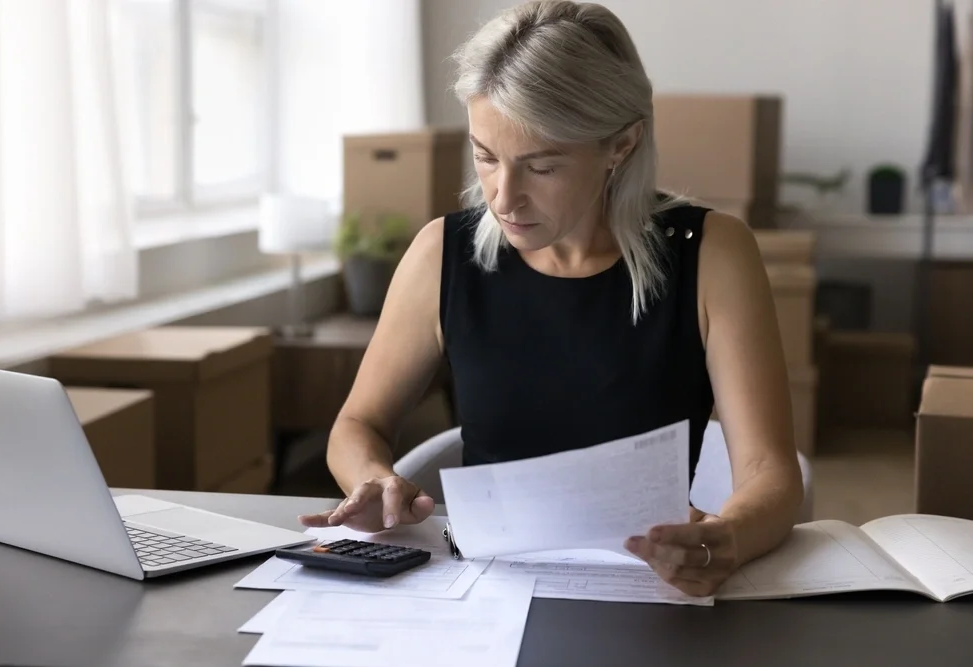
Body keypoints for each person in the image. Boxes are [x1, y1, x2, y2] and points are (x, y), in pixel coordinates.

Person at [299, 0, 803, 597]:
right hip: (483, 590)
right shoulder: (440, 253)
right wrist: (373, 478)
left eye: (540, 167)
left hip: (643, 589)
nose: (502, 198)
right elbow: (358, 424)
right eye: (486, 157)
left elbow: (770, 473)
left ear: (622, 144)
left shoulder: (713, 254)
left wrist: (729, 537)